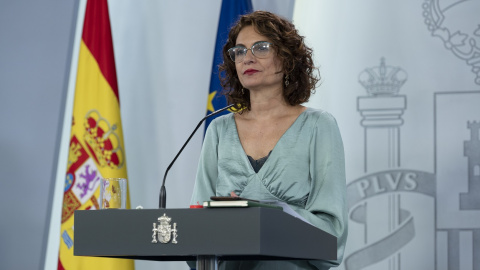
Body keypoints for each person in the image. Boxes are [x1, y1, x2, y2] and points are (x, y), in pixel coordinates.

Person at [190, 10, 347, 270]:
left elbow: (332, 233)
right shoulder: (218, 130)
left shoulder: (319, 126)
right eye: (239, 51)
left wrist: (269, 215)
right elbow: (196, 225)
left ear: (286, 60)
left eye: (260, 47)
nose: (247, 58)